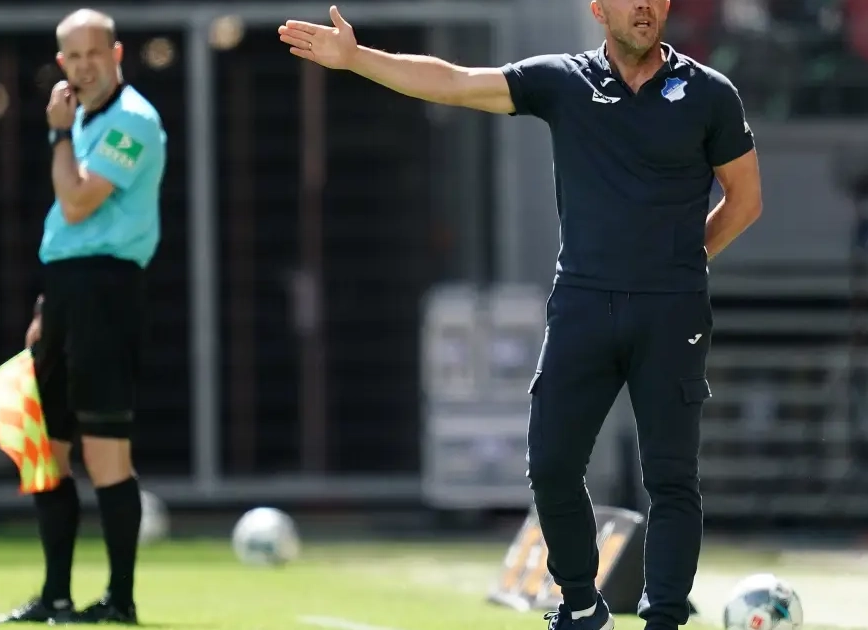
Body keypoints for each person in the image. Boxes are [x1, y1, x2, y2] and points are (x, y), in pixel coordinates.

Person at [279, 1, 762, 629]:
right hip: (583, 304)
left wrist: (680, 264)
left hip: (672, 310)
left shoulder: (709, 93)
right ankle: (582, 605)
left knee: (671, 477)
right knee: (552, 465)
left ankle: (664, 620)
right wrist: (356, 58)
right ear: (599, 8)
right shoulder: (564, 80)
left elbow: (745, 200)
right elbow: (455, 82)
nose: (644, 5)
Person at [0, 8, 167, 626]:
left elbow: (75, 203)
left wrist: (58, 135)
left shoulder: (133, 120)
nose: (84, 65)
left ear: (117, 55)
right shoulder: (84, 118)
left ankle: (120, 599)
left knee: (105, 451)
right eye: (73, 55)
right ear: (61, 61)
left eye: (95, 53)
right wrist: (47, 307)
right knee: (46, 449)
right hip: (66, 291)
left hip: (107, 292)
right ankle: (56, 596)